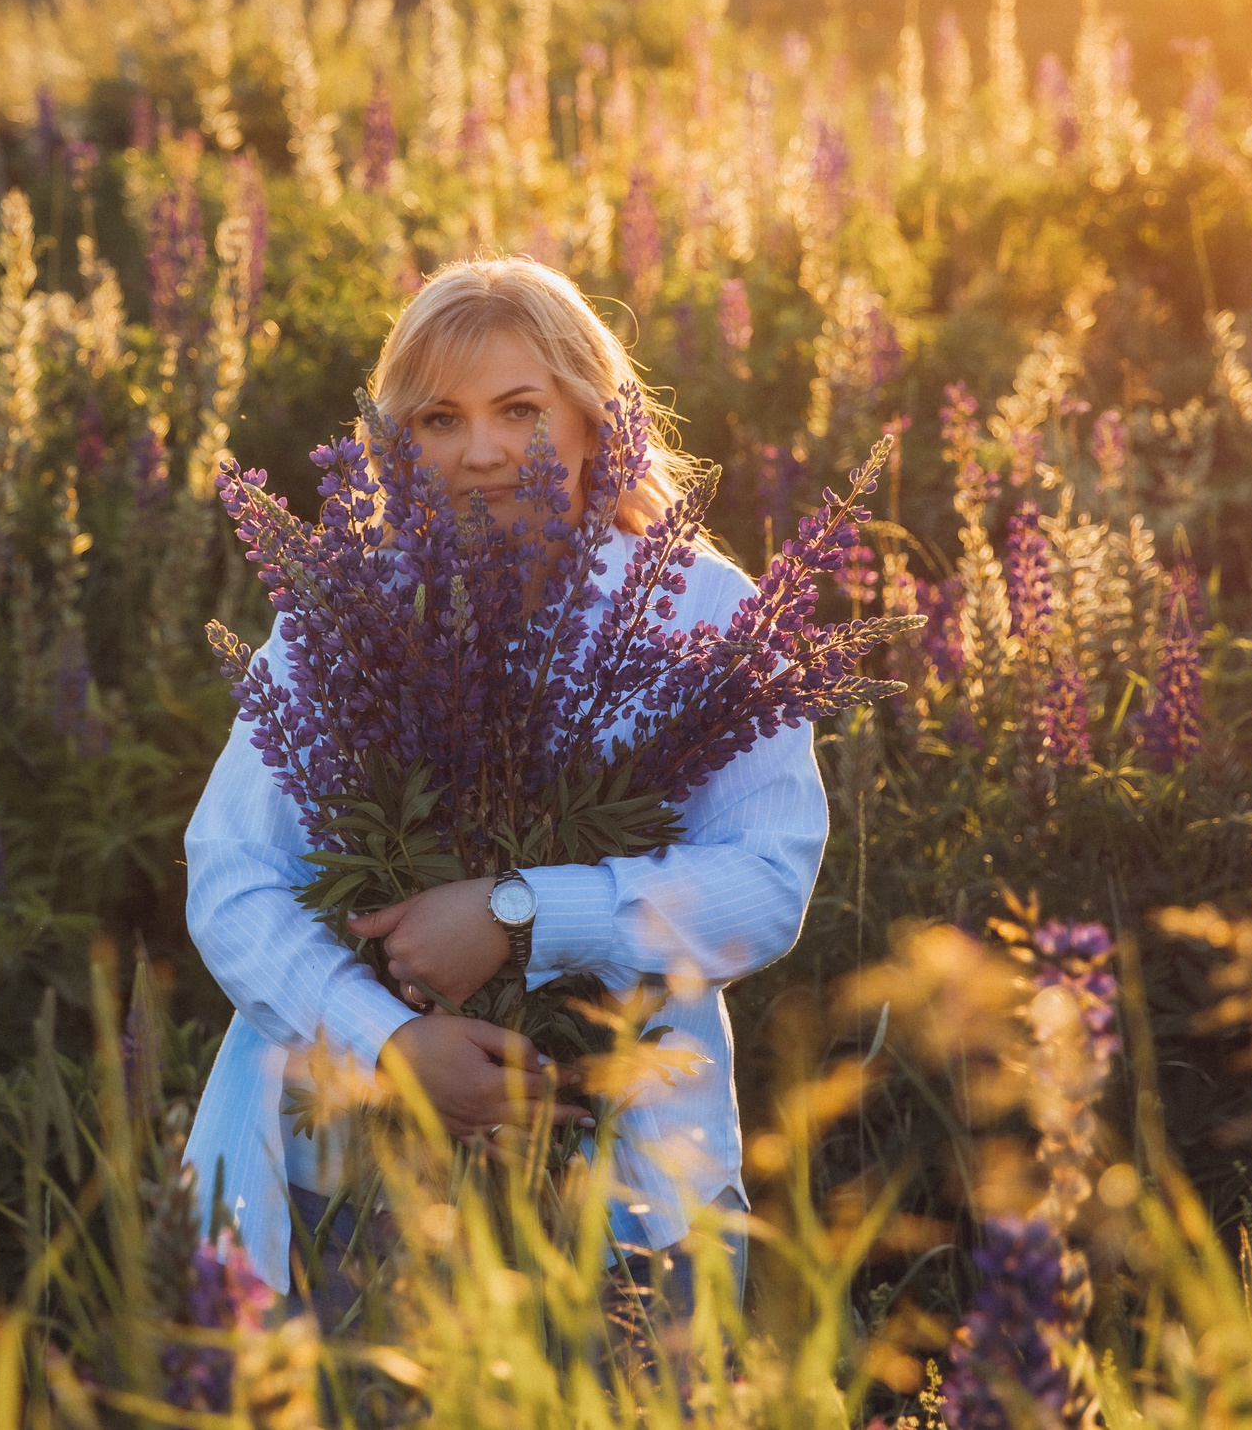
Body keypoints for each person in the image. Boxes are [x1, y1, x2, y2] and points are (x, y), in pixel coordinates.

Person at [180, 256, 829, 1331]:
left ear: (589, 421)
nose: (480, 453)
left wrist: (516, 912)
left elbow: (764, 886)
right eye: (438, 419)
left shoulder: (704, 609)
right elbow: (232, 884)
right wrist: (388, 1039)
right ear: (398, 448)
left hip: (626, 1179)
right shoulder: (341, 613)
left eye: (519, 409)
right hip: (352, 1176)